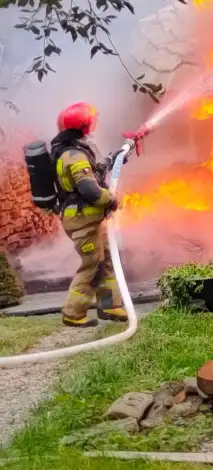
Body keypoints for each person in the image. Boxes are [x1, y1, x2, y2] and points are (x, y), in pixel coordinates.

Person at [52, 103, 127, 326]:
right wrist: (111, 199)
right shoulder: (74, 156)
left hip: (90, 219)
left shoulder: (75, 149)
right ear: (84, 126)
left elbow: (94, 171)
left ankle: (110, 305)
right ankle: (73, 313)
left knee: (107, 262)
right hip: (82, 221)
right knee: (92, 264)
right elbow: (89, 189)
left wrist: (116, 159)